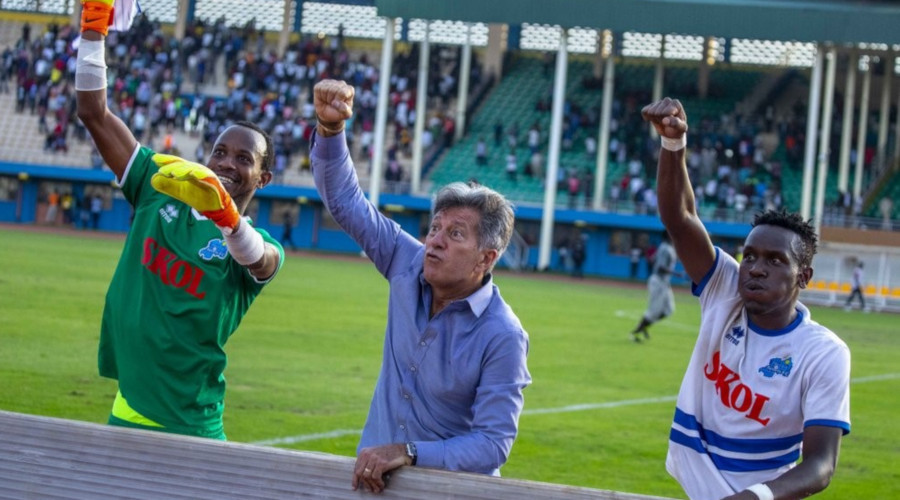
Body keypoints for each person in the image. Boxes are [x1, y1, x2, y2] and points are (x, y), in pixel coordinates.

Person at [311, 79, 531, 494]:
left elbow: (492, 443)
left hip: (447, 491)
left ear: (487, 257)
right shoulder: (405, 260)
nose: (435, 240)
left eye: (455, 234)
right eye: (435, 228)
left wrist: (410, 451)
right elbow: (345, 201)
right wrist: (330, 131)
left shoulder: (503, 335)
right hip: (374, 484)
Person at [75, 2, 283, 440]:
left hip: (193, 422)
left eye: (244, 159)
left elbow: (261, 261)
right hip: (129, 407)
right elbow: (94, 113)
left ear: (263, 178)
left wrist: (226, 218)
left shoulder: (257, 241)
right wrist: (94, 31)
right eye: (220, 152)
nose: (226, 163)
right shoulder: (160, 183)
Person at [643, 97, 850, 500]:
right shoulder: (725, 290)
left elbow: (821, 466)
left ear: (803, 277)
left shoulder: (823, 353)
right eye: (750, 255)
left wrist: (756, 497)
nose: (755, 267)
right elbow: (680, 218)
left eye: (775, 261)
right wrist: (673, 144)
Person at [630, 231, 678, 343]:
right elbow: (661, 267)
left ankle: (644, 327)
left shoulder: (666, 248)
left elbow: (652, 260)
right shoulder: (666, 248)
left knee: (669, 310)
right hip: (658, 281)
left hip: (664, 282)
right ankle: (635, 333)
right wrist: (677, 274)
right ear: (668, 235)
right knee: (654, 311)